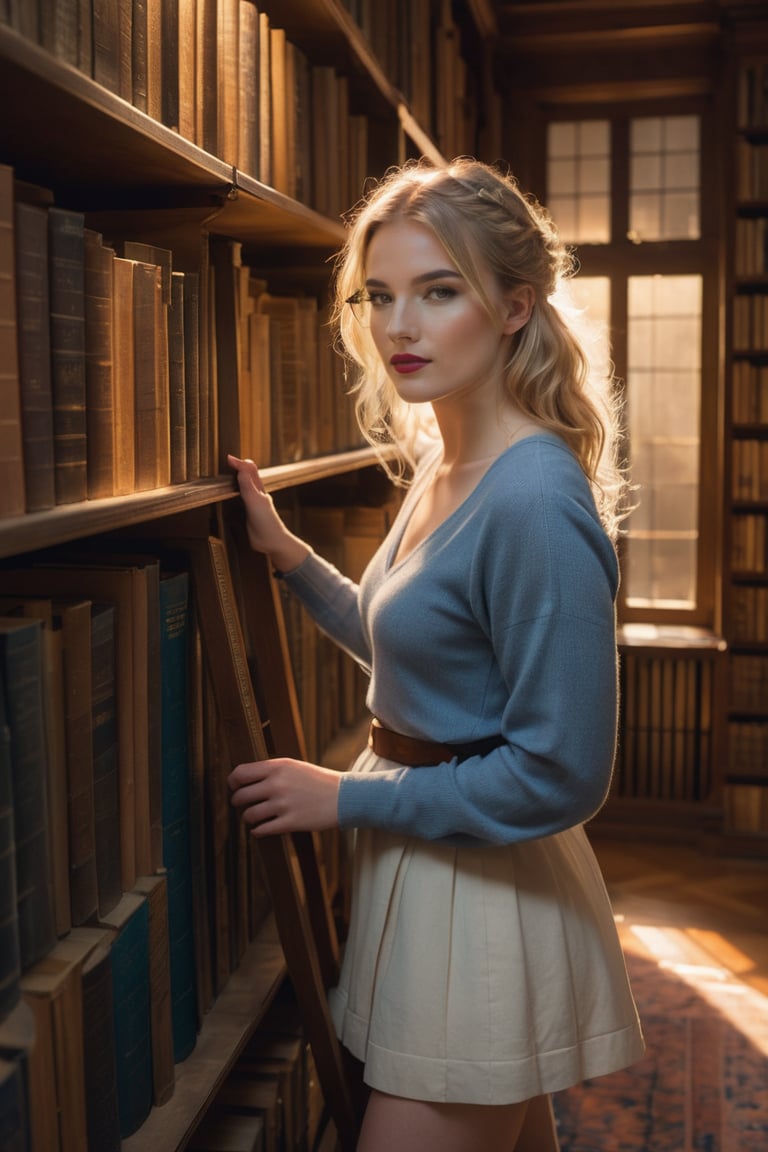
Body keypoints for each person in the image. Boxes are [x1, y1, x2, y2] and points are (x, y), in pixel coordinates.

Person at [227, 157, 645, 1152]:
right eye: (380, 295)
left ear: (513, 308)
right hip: (429, 873)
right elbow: (415, 650)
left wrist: (346, 797)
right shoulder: (444, 458)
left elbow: (563, 771)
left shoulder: (533, 499)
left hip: (485, 903)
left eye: (438, 291)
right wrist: (289, 559)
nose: (398, 326)